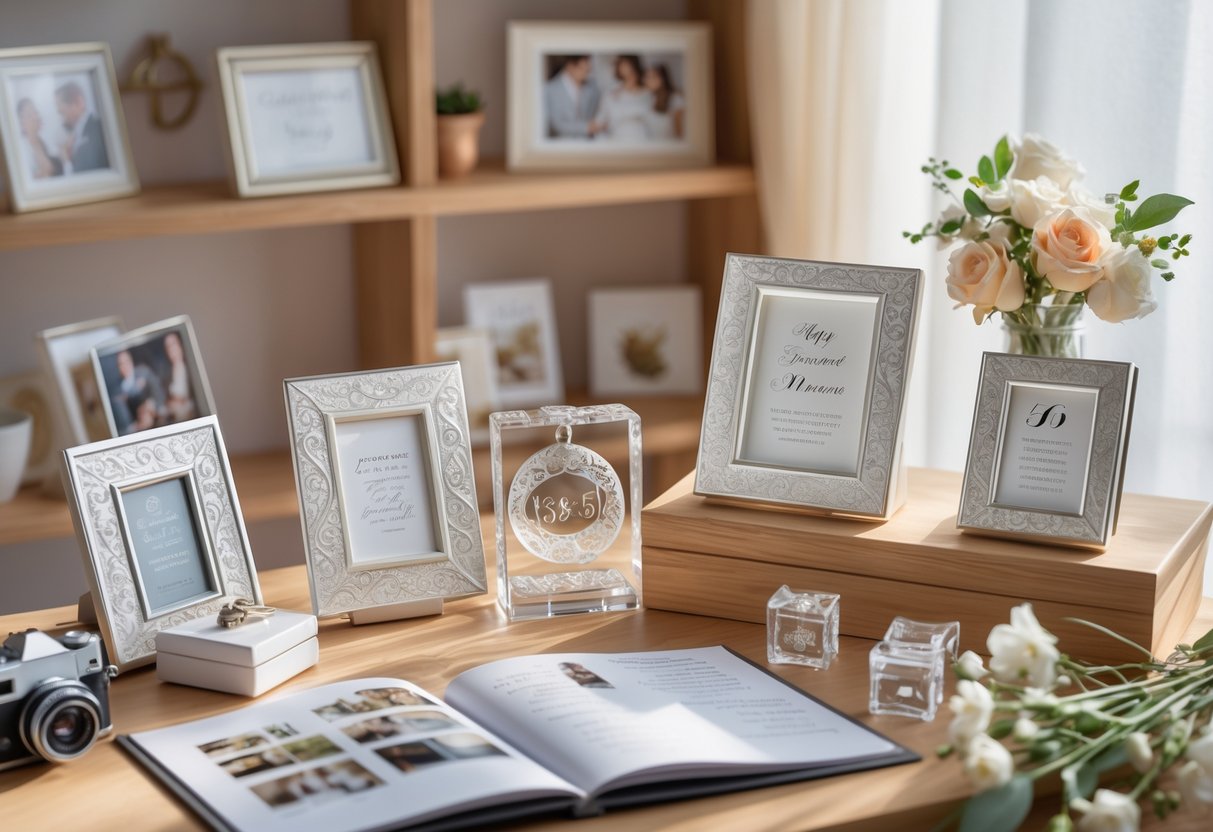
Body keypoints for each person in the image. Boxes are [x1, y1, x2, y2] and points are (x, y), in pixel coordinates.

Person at [54, 80, 109, 173]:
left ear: (79, 102)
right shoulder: (75, 137)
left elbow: (82, 176)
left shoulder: (98, 129)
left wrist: (66, 161)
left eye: (62, 112)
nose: (62, 120)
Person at [593, 55, 651, 142]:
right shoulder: (611, 94)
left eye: (627, 64)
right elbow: (600, 120)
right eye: (621, 64)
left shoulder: (648, 93)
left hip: (642, 140)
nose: (624, 67)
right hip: (618, 140)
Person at [543, 55, 602, 139]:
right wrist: (586, 127)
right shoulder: (551, 89)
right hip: (561, 145)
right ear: (570, 66)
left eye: (588, 70)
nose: (586, 74)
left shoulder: (592, 87)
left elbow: (596, 113)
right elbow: (556, 125)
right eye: (583, 69)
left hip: (588, 145)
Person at [15, 98, 62, 179]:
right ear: (21, 122)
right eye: (29, 114)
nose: (36, 117)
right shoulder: (22, 148)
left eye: (35, 112)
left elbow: (56, 167)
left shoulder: (44, 140)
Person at [161, 331, 197, 423]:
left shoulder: (192, 367)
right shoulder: (167, 374)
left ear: (180, 344)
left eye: (173, 344)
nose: (171, 349)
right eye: (168, 347)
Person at [642, 64, 685, 140]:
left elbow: (680, 132)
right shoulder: (649, 98)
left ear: (663, 79)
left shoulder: (675, 99)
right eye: (646, 77)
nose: (646, 80)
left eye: (652, 77)